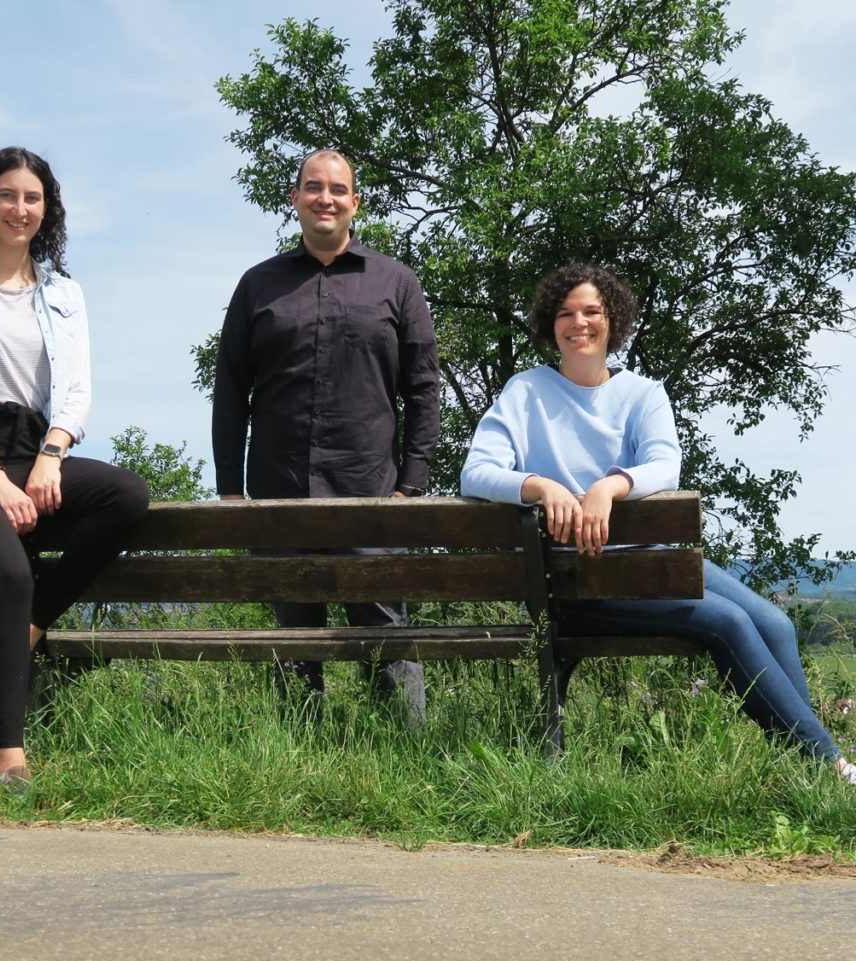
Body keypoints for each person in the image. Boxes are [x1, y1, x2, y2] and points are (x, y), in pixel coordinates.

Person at [460, 263, 855, 782]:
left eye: (591, 311)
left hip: (645, 566)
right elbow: (476, 472)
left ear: (613, 319)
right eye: (565, 313)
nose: (578, 323)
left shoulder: (643, 394)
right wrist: (542, 486)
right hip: (575, 585)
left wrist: (609, 486)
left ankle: (807, 763)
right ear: (550, 324)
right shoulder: (525, 392)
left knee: (776, 621)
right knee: (729, 621)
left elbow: (665, 464)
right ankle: (828, 765)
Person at [0, 147, 148, 786]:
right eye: (8, 196)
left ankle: (29, 626)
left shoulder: (64, 294)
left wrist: (49, 459)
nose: (20, 209)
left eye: (32, 198)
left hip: (35, 449)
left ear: (48, 212)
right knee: (10, 570)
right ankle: (9, 756)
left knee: (125, 495)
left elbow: (76, 391)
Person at [212, 149, 440, 725]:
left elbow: (423, 388)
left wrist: (410, 485)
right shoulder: (258, 285)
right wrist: (230, 491)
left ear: (355, 203)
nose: (326, 198)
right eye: (313, 187)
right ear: (295, 199)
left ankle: (406, 752)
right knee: (295, 635)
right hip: (278, 487)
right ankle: (297, 753)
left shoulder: (396, 282)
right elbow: (231, 391)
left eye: (338, 189)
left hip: (372, 490)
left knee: (385, 629)